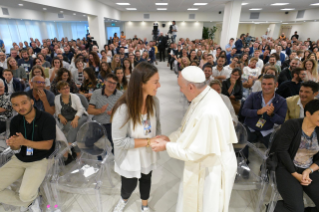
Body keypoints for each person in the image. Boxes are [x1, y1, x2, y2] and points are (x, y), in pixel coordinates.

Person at [151, 66, 237, 212]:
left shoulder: (208, 111)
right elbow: (188, 127)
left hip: (212, 169)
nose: (180, 90)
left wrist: (167, 146)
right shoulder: (203, 96)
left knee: (206, 206)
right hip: (205, 163)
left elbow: (194, 153)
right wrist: (170, 138)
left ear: (191, 87)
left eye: (181, 87)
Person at [111, 62, 161, 212]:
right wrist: (148, 141)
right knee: (129, 185)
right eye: (155, 82)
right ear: (141, 84)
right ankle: (123, 199)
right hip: (129, 157)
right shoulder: (123, 109)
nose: (159, 86)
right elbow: (119, 141)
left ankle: (144, 205)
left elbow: (156, 125)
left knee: (146, 179)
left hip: (147, 153)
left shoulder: (155, 102)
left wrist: (158, 139)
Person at [0, 91, 55, 212]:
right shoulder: (15, 121)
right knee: (25, 198)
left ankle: (27, 199)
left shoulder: (47, 119)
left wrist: (24, 142)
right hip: (19, 159)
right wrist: (14, 144)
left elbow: (48, 145)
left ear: (31, 101)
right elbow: (16, 149)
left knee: (24, 194)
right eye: (16, 105)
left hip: (41, 160)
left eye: (23, 103)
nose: (20, 107)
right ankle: (31, 202)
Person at [269, 99, 319, 212]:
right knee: (296, 208)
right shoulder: (292, 125)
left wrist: (308, 170)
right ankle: (273, 208)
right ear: (308, 114)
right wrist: (296, 174)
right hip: (286, 168)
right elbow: (281, 151)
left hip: (308, 170)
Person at [241, 75, 287, 159]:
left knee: (277, 150)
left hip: (267, 130)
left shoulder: (281, 101)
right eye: (264, 84)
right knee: (241, 144)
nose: (266, 87)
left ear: (276, 84)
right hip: (250, 128)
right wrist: (258, 111)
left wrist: (272, 115)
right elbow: (244, 111)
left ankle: (269, 168)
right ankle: (244, 163)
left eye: (269, 84)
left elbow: (281, 120)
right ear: (261, 84)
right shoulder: (253, 96)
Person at [54, 81, 88, 163]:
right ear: (59, 91)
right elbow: (57, 111)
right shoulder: (56, 98)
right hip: (68, 120)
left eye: (67, 87)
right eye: (63, 88)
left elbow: (81, 109)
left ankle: (67, 146)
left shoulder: (75, 97)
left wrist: (76, 118)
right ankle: (78, 154)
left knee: (74, 126)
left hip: (80, 117)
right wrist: (60, 116)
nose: (66, 89)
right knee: (74, 130)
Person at [87, 73, 122, 150]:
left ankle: (116, 158)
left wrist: (115, 112)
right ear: (105, 82)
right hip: (97, 123)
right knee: (89, 144)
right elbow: (89, 111)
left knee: (116, 145)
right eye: (110, 82)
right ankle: (99, 159)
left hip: (112, 124)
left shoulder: (120, 95)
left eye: (114, 83)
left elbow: (124, 112)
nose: (112, 85)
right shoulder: (96, 93)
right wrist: (100, 110)